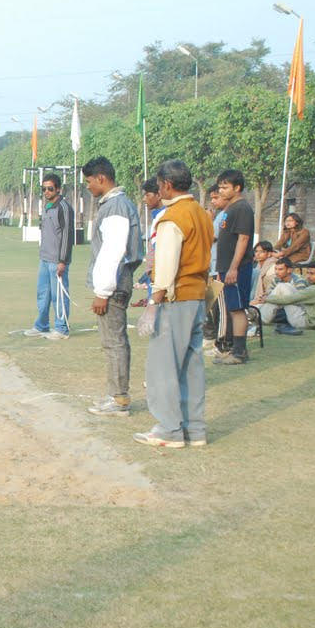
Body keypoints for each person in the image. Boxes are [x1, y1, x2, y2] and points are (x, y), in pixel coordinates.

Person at [133, 159, 214, 449]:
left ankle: (168, 429)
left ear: (166, 185)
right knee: (192, 365)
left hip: (175, 298)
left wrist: (153, 302)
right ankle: (195, 428)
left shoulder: (173, 218)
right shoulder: (202, 215)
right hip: (196, 297)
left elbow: (166, 264)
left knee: (163, 367)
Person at [81, 156, 144, 417]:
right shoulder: (115, 204)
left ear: (101, 179)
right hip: (117, 281)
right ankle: (115, 394)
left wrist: (102, 292)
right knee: (113, 341)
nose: (87, 187)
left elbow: (113, 251)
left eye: (88, 182)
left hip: (115, 283)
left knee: (114, 341)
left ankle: (119, 398)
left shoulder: (116, 207)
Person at [213, 170, 256, 366]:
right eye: (220, 186)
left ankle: (239, 352)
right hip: (224, 267)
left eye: (225, 187)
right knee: (231, 308)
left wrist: (233, 268)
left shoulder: (242, 208)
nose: (221, 190)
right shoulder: (229, 209)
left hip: (236, 268)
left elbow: (244, 238)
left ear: (237, 188)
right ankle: (232, 348)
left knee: (238, 309)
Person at [25, 174, 74, 339]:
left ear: (58, 189)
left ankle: (61, 328)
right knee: (43, 294)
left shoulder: (63, 207)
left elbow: (67, 236)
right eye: (44, 189)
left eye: (50, 188)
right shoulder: (47, 207)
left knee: (58, 294)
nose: (46, 192)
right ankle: (42, 325)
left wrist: (62, 261)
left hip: (57, 260)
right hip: (44, 259)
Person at [264, 260, 315, 332]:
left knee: (282, 287)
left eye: (312, 274)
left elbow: (287, 300)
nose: (308, 276)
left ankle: (262, 318)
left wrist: (267, 299)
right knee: (285, 287)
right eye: (307, 273)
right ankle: (260, 314)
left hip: (306, 323)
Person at [133, 177, 166, 307]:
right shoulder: (157, 216)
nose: (144, 199)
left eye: (148, 195)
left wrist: (155, 271)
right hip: (153, 275)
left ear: (158, 195)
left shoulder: (164, 216)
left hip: (160, 277)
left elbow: (162, 251)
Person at [253, 257, 307, 328]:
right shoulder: (276, 280)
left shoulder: (299, 281)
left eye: (280, 269)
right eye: (276, 269)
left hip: (294, 308)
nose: (276, 272)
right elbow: (269, 295)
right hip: (278, 306)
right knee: (255, 306)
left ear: (289, 270)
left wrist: (271, 299)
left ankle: (262, 318)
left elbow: (300, 301)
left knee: (281, 287)